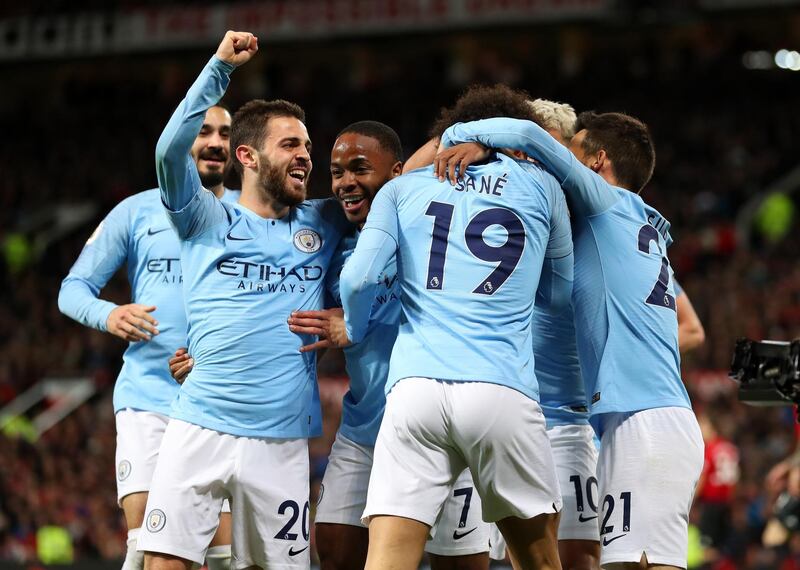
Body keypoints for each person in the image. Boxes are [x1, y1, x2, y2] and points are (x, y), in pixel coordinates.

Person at [435, 111, 704, 569]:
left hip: (647, 423)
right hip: (637, 419)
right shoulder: (636, 224)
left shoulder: (608, 208)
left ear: (597, 161)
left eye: (573, 150)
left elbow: (526, 135)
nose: (563, 161)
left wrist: (466, 138)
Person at [135, 31, 351, 570]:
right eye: (290, 145)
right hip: (198, 425)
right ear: (247, 156)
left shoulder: (324, 222)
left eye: (307, 146)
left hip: (280, 441)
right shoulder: (206, 218)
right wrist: (219, 68)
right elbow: (168, 151)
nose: (306, 156)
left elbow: (393, 183)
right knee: (165, 562)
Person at [338, 85, 572, 570]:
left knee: (387, 557)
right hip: (501, 388)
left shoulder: (402, 189)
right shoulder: (545, 186)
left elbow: (358, 280)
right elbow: (559, 294)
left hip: (414, 391)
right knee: (539, 558)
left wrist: (357, 328)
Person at [288, 120, 492, 570]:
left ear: (399, 174)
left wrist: (476, 142)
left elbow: (440, 145)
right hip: (365, 431)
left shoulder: (431, 222)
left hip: (442, 428)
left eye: (359, 168)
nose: (345, 182)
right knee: (336, 553)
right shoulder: (334, 237)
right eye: (337, 172)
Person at [57, 104, 239, 570]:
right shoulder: (135, 211)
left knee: (219, 553)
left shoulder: (248, 215)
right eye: (202, 132)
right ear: (180, 140)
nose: (214, 142)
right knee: (145, 544)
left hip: (218, 400)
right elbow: (72, 290)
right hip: (147, 397)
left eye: (224, 133)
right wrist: (109, 314)